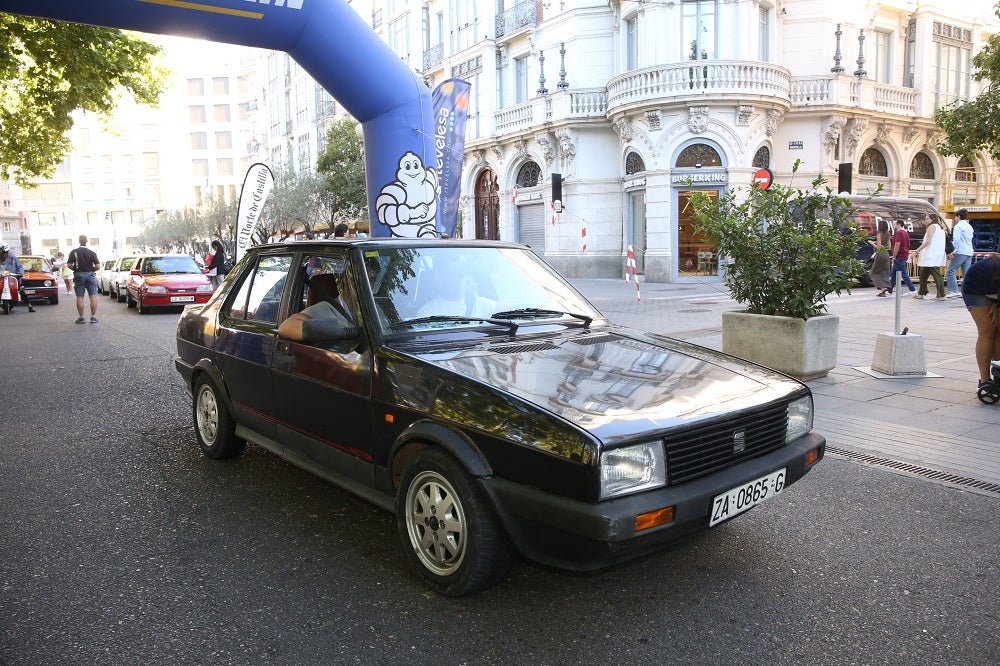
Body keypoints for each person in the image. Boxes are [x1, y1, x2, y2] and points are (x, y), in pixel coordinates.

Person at [960, 254, 1000, 391]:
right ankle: (985, 381)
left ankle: (998, 376)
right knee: (988, 331)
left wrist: (996, 302)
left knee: (998, 331)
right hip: (975, 289)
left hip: (994, 288)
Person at [277, 272, 352, 342]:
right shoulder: (325, 308)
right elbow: (285, 327)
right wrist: (325, 330)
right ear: (345, 282)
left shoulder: (361, 307)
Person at [67, 234, 100, 324]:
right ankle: (93, 317)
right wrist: (91, 270)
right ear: (86, 241)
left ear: (79, 241)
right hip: (90, 275)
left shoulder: (74, 252)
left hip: (79, 275)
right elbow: (97, 266)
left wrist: (76, 269)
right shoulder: (92, 252)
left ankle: (81, 318)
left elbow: (69, 265)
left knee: (80, 297)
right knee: (92, 296)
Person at [913, 213, 947, 299]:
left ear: (932, 219)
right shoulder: (941, 228)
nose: (925, 221)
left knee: (936, 274)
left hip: (931, 255)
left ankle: (941, 294)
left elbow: (927, 241)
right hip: (935, 254)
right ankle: (922, 292)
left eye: (927, 219)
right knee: (923, 273)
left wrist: (916, 251)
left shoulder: (931, 227)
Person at [946, 208, 974, 298]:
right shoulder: (969, 226)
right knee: (966, 273)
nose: (955, 218)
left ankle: (953, 290)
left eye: (955, 216)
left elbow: (956, 240)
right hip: (969, 251)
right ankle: (967, 291)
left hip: (960, 251)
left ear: (958, 217)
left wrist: (952, 251)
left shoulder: (958, 227)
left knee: (951, 271)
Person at [0, 243, 35, 312]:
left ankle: (30, 306)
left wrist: (20, 273)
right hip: (1, 279)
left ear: (6, 251)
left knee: (21, 290)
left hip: (12, 278)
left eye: (1, 251)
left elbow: (20, 266)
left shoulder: (13, 258)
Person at [886, 220, 916, 296]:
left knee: (903, 273)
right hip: (903, 255)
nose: (893, 225)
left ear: (898, 224)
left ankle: (912, 289)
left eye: (894, 224)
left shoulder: (899, 233)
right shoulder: (905, 233)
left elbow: (897, 245)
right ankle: (890, 289)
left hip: (899, 256)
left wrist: (894, 256)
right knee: (893, 273)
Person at [869, 220, 893, 297]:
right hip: (886, 254)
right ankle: (884, 288)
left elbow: (879, 248)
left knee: (873, 272)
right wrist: (878, 242)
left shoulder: (879, 234)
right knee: (884, 272)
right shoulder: (888, 234)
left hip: (880, 254)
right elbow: (889, 246)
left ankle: (882, 289)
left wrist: (873, 243)